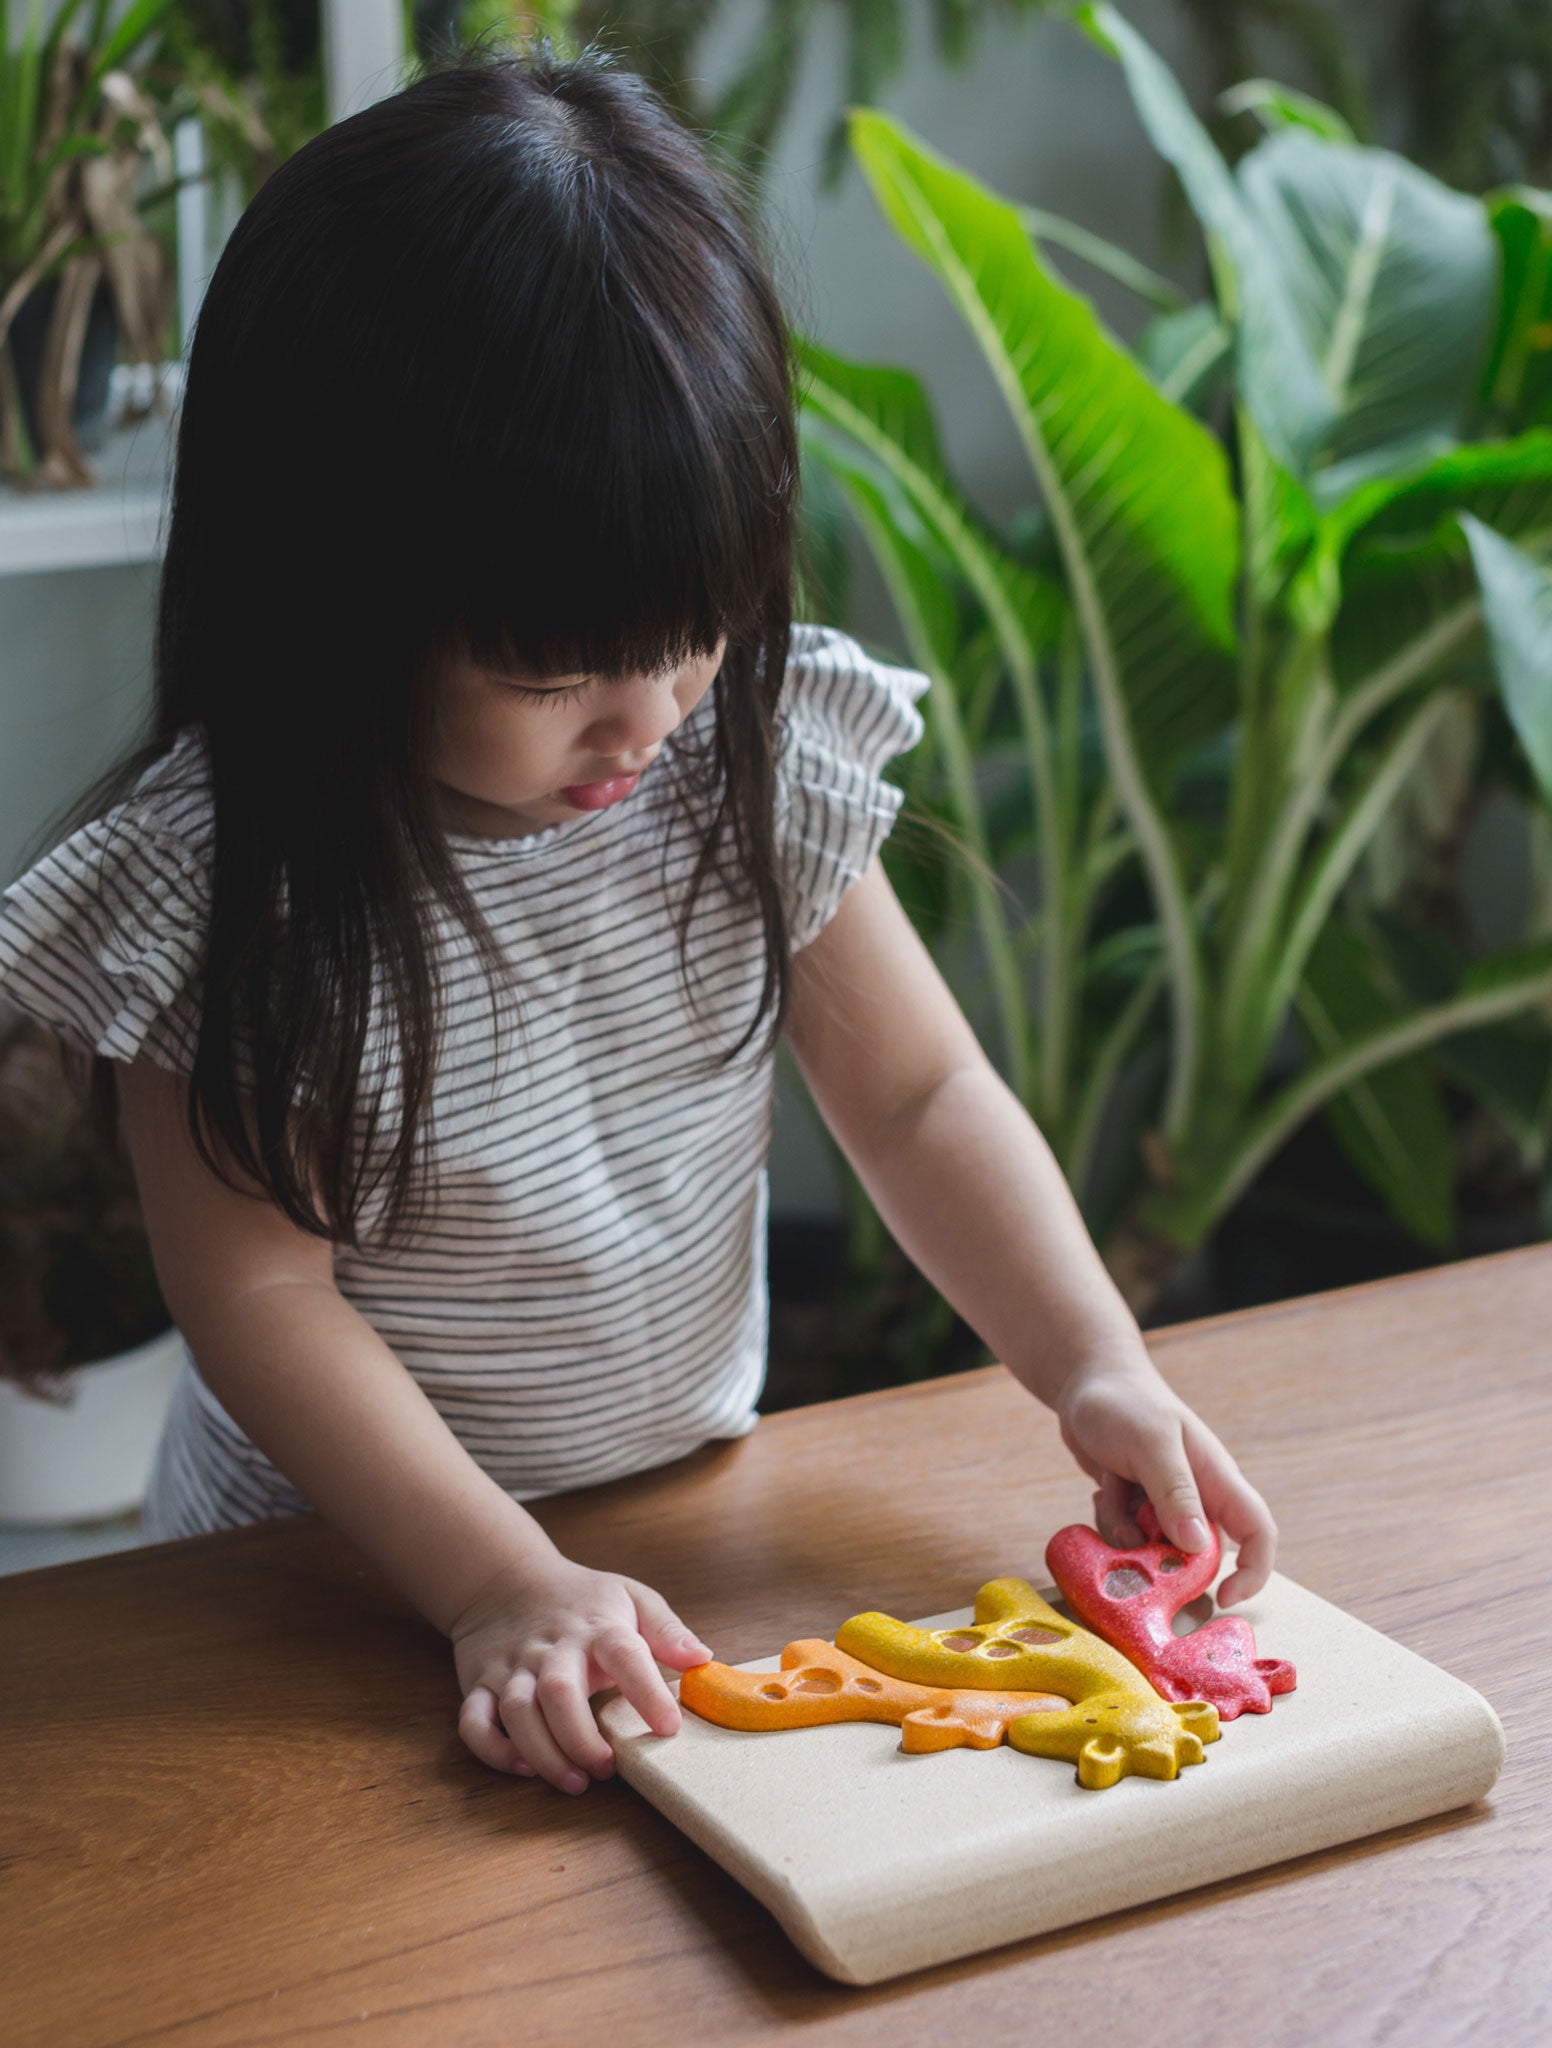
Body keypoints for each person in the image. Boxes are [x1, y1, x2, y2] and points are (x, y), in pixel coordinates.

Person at [0, 42, 1276, 1797]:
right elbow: (266, 1299)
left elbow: (914, 1101)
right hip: (324, 1579)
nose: (647, 721)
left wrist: (1091, 1366)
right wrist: (496, 1582)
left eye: (692, 637)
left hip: (671, 1522)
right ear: (331, 609)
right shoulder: (227, 893)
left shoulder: (740, 754)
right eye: (551, 673)